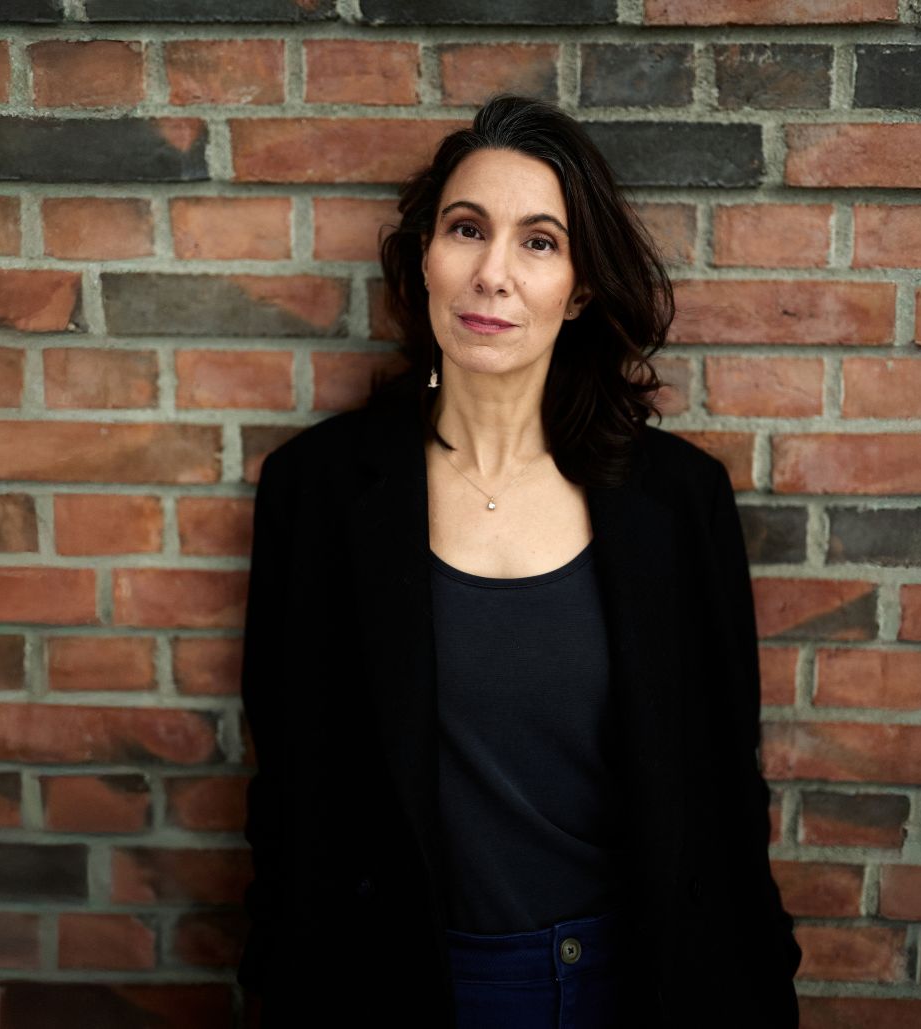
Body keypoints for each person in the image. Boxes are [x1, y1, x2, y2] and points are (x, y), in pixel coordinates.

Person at [236, 94, 801, 1027]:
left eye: (539, 242)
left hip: (634, 985)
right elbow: (292, 792)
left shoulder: (675, 502)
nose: (492, 273)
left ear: (578, 289)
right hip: (402, 989)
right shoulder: (320, 493)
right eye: (467, 229)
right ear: (425, 257)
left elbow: (723, 790)